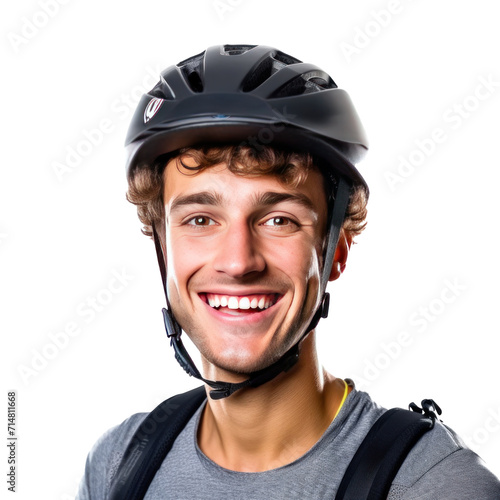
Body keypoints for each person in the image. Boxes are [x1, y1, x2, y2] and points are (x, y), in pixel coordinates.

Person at [76, 45, 500, 499]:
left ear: (336, 250)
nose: (238, 262)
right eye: (200, 219)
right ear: (162, 246)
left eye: (279, 220)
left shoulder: (433, 485)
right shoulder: (120, 464)